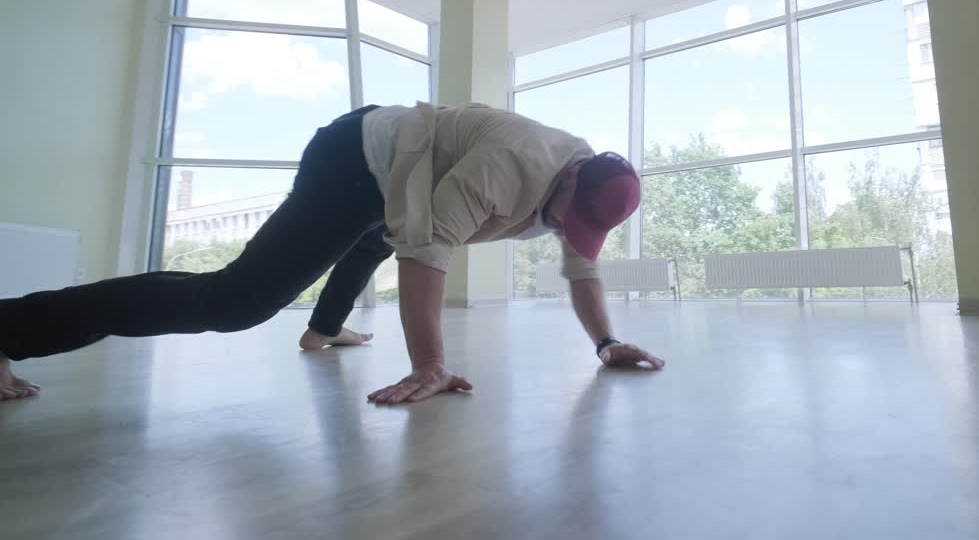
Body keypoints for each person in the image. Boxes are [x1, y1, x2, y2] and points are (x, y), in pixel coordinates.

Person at [0, 103, 664, 404]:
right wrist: (430, 364)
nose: (562, 229)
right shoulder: (512, 167)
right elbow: (426, 252)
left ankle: (323, 328)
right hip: (358, 157)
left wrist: (606, 342)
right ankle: (11, 327)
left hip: (401, 181)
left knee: (377, 237)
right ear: (571, 181)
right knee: (236, 303)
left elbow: (582, 271)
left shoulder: (577, 191)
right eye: (568, 216)